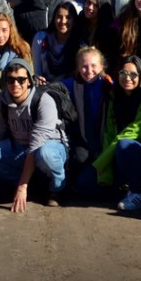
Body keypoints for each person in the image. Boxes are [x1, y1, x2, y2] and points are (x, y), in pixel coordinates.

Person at [87, 56, 141, 211]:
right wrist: (103, 168)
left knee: (125, 145)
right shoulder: (115, 95)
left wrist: (102, 161)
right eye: (123, 73)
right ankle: (121, 186)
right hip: (119, 156)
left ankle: (137, 193)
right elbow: (109, 132)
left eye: (133, 74)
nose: (127, 78)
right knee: (85, 184)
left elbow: (133, 131)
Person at [0, 59, 68, 211]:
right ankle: (33, 183)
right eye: (10, 79)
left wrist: (22, 188)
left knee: (45, 154)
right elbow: (0, 135)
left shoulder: (43, 101)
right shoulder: (1, 101)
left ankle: (56, 188)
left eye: (21, 79)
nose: (15, 84)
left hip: (49, 145)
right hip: (19, 148)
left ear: (29, 81)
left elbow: (34, 147)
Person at [60, 47, 113, 189]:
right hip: (84, 142)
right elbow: (53, 87)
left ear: (101, 66)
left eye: (94, 66)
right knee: (83, 182)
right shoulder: (72, 84)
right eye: (84, 66)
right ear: (78, 68)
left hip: (106, 142)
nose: (89, 71)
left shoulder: (108, 85)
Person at [31, 1, 81, 84]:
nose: (63, 21)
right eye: (59, 17)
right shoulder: (40, 38)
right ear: (53, 18)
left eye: (68, 17)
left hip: (69, 88)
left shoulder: (79, 44)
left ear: (74, 20)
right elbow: (37, 71)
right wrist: (39, 80)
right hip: (45, 86)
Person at [78, 0, 118, 66]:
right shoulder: (80, 20)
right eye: (88, 2)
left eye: (95, 5)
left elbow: (111, 58)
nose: (90, 7)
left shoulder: (111, 30)